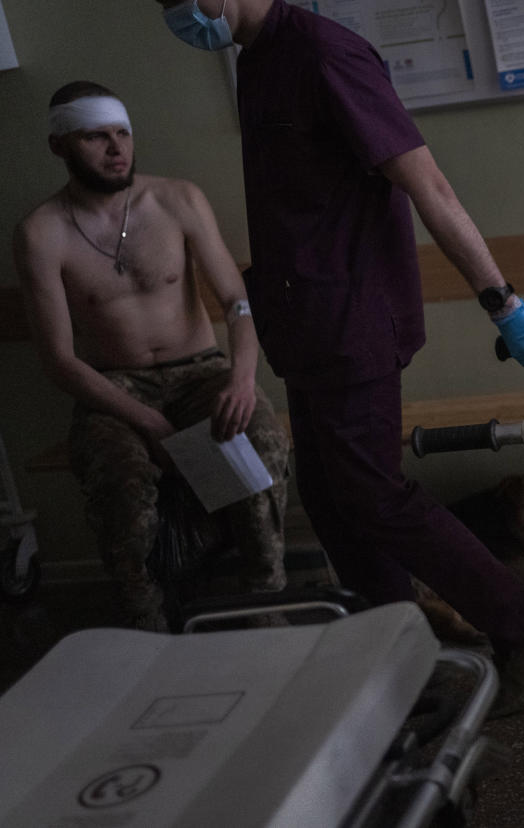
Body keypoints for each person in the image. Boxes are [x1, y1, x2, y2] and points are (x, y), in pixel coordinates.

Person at [153, 0, 524, 714]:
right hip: (307, 322)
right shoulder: (255, 60)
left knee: (372, 490)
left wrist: (501, 300)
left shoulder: (327, 53)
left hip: (353, 318)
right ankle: (403, 652)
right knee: (330, 495)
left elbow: (428, 184)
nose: (178, 12)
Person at [13, 81, 288, 631]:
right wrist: (153, 427)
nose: (116, 148)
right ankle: (150, 630)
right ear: (59, 146)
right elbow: (60, 361)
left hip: (202, 373)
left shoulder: (177, 200)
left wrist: (241, 377)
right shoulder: (40, 233)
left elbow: (236, 302)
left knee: (254, 446)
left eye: (123, 134)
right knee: (122, 490)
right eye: (96, 137)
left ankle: (268, 604)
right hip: (114, 388)